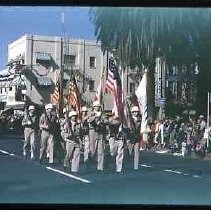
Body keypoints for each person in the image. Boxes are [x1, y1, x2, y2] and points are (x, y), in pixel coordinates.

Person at [130, 106, 142, 170]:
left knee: (136, 153)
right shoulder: (129, 119)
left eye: (136, 112)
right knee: (129, 152)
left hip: (137, 137)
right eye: (134, 112)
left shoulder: (140, 119)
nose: (135, 113)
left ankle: (136, 167)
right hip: (130, 138)